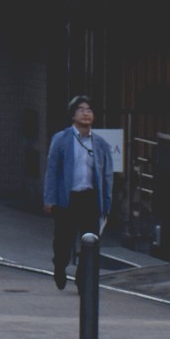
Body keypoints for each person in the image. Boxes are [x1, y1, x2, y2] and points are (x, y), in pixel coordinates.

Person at [44, 95, 113, 289]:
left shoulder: (100, 143)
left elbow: (106, 175)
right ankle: (59, 266)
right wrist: (49, 198)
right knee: (63, 242)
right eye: (81, 110)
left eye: (89, 110)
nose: (86, 114)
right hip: (67, 198)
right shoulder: (61, 139)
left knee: (90, 243)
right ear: (73, 115)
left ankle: (84, 280)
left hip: (89, 198)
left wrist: (107, 203)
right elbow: (52, 170)